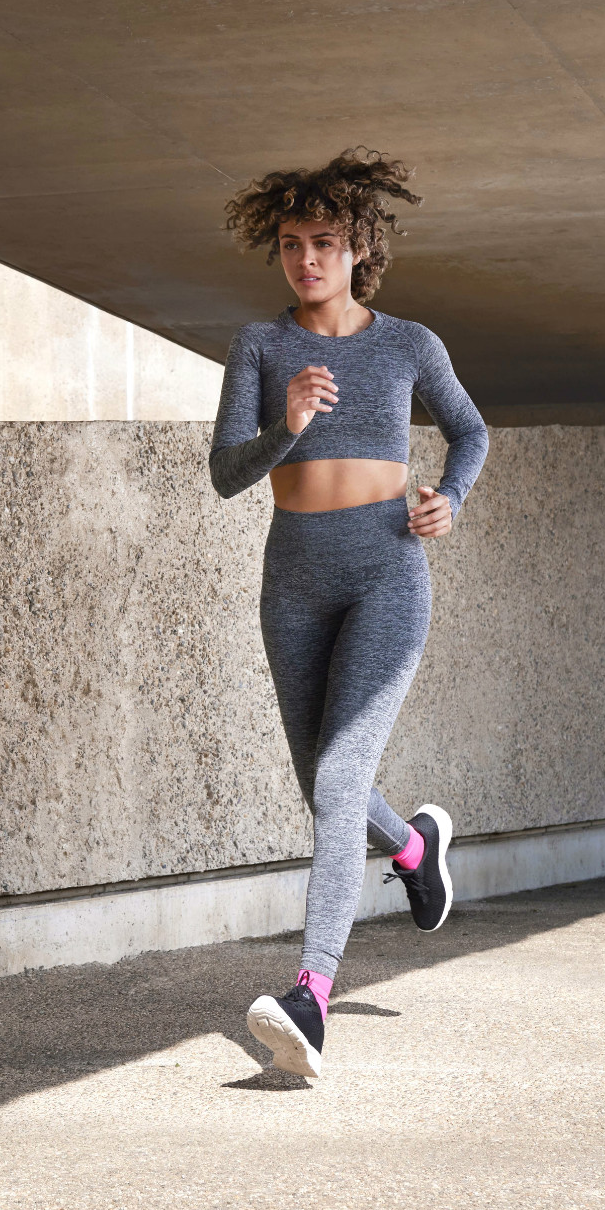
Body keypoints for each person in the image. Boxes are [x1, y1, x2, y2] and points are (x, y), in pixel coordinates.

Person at [212, 149, 489, 1078]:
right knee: (322, 786)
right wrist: (283, 427)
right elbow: (224, 476)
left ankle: (310, 998)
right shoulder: (259, 346)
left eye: (324, 242)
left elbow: (470, 429)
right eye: (291, 245)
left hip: (386, 576)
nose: (306, 260)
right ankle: (415, 848)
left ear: (359, 246)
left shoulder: (409, 343)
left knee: (336, 786)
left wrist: (451, 495)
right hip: (292, 583)